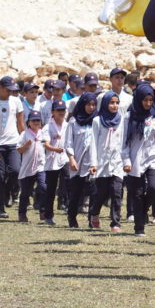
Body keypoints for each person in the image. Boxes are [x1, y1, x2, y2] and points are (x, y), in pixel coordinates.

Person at [122, 83, 155, 238]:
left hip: (153, 158)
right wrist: (126, 161)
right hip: (135, 159)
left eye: (150, 100)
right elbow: (124, 142)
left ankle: (142, 211)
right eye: (145, 100)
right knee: (137, 193)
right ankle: (139, 227)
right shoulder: (129, 117)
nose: (148, 104)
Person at [0, 77, 25, 219]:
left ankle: (8, 191)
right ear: (0, 87)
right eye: (7, 89)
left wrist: (24, 141)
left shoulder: (16, 101)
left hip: (13, 143)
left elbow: (21, 124)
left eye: (11, 90)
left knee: (16, 170)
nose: (10, 92)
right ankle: (0, 208)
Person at [89, 92, 125, 231]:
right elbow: (93, 142)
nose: (114, 106)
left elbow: (122, 141)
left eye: (117, 103)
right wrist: (93, 163)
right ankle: (95, 213)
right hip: (101, 162)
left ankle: (115, 222)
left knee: (117, 192)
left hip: (116, 162)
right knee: (101, 193)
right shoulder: (97, 121)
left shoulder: (121, 120)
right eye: (111, 103)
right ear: (105, 104)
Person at [64, 92, 98, 229]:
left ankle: (92, 219)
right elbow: (68, 143)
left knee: (93, 193)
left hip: (92, 163)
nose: (91, 107)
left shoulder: (97, 121)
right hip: (77, 163)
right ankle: (72, 218)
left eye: (93, 105)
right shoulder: (73, 122)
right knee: (76, 193)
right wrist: (71, 158)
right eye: (88, 104)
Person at [38, 99, 68, 225]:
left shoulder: (68, 125)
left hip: (65, 158)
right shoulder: (47, 127)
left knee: (68, 183)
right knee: (50, 189)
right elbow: (46, 144)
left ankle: (67, 207)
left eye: (63, 110)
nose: (61, 112)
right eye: (58, 110)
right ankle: (48, 215)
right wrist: (56, 149)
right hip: (52, 160)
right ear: (52, 112)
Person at [15, 110, 47, 223]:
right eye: (33, 121)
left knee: (43, 187)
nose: (36, 123)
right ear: (29, 122)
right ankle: (22, 213)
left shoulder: (43, 133)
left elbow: (47, 145)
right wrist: (26, 145)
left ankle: (43, 210)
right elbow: (19, 150)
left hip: (40, 166)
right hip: (27, 168)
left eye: (38, 120)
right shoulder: (24, 134)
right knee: (25, 193)